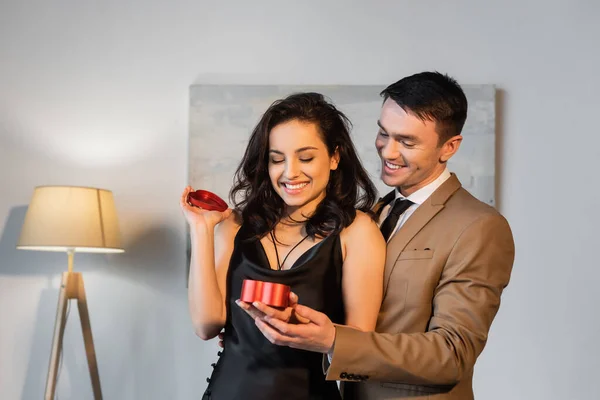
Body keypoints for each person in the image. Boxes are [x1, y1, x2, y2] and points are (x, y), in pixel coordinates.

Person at [239, 72, 516, 400]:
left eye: (407, 141)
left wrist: (334, 341)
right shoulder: (368, 215)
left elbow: (452, 353)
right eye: (384, 133)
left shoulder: (479, 226)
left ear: (449, 147)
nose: (388, 151)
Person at [180, 92, 387, 399]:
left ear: (334, 157)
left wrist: (310, 333)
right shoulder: (235, 225)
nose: (290, 172)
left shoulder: (357, 231)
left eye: (306, 158)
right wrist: (201, 230)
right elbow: (206, 325)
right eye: (277, 159)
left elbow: (358, 347)